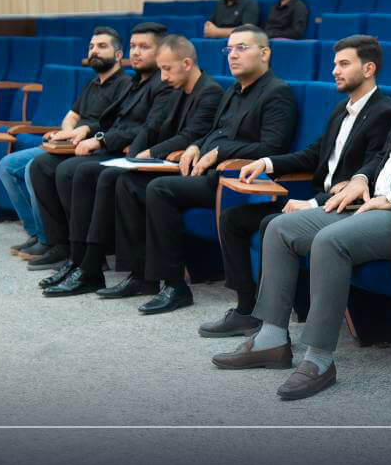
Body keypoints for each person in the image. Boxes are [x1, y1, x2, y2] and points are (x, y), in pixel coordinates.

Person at [211, 24, 391, 401]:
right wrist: (360, 178)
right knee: (279, 228)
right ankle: (271, 340)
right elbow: (383, 158)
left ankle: (319, 359)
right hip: (368, 204)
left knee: (329, 241)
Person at [200, 35, 391, 337]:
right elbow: (312, 155)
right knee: (233, 220)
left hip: (342, 207)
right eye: (334, 64)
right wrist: (266, 163)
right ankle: (246, 307)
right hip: (318, 200)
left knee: (270, 223)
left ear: (368, 69)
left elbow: (368, 175)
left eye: (344, 64)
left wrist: (313, 203)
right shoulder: (341, 109)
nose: (335, 71)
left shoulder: (383, 112)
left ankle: (262, 318)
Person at [112, 25, 297, 314]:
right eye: (229, 49)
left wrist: (219, 152)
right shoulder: (233, 91)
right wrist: (195, 146)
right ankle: (142, 276)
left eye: (241, 48)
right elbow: (214, 133)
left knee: (159, 189)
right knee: (129, 182)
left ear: (265, 53)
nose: (232, 55)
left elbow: (272, 148)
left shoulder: (276, 92)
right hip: (207, 173)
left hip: (236, 181)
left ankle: (175, 286)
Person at [41, 35, 224, 297]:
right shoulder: (177, 89)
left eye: (167, 69)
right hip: (166, 161)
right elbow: (152, 127)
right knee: (115, 177)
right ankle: (92, 264)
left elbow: (190, 135)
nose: (163, 77)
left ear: (186, 64)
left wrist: (150, 153)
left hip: (186, 168)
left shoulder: (210, 92)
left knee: (114, 179)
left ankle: (96, 268)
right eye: (160, 70)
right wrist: (135, 158)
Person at [27, 23, 173, 274]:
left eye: (144, 47)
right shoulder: (135, 81)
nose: (136, 52)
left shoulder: (162, 84)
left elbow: (149, 128)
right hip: (115, 145)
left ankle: (86, 257)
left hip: (131, 152)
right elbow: (110, 121)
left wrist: (100, 140)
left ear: (161, 52)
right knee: (42, 165)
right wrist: (89, 133)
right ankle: (62, 245)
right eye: (133, 46)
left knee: (72, 170)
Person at [0, 26, 131, 266]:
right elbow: (71, 115)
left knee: (33, 168)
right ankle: (37, 233)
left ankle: (50, 240)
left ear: (119, 54)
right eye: (91, 47)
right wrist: (67, 132)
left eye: (102, 46)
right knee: (6, 166)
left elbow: (115, 125)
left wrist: (83, 131)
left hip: (92, 147)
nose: (94, 51)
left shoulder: (125, 85)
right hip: (69, 144)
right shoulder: (92, 84)